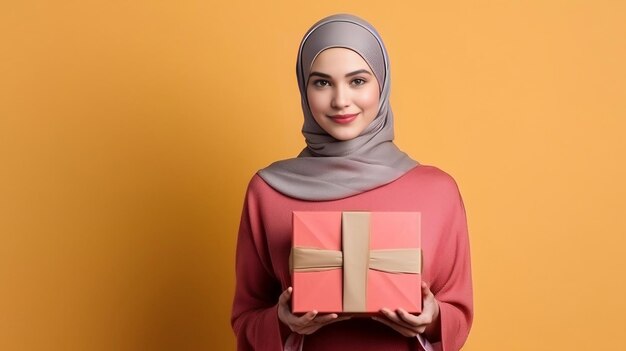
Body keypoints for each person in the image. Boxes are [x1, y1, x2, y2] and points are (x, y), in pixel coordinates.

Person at [231, 14, 473, 351]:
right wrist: (282, 321)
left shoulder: (438, 191)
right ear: (304, 87)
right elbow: (246, 318)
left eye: (357, 81)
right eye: (322, 82)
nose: (340, 100)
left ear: (382, 83)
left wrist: (431, 317)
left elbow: (459, 314)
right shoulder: (268, 191)